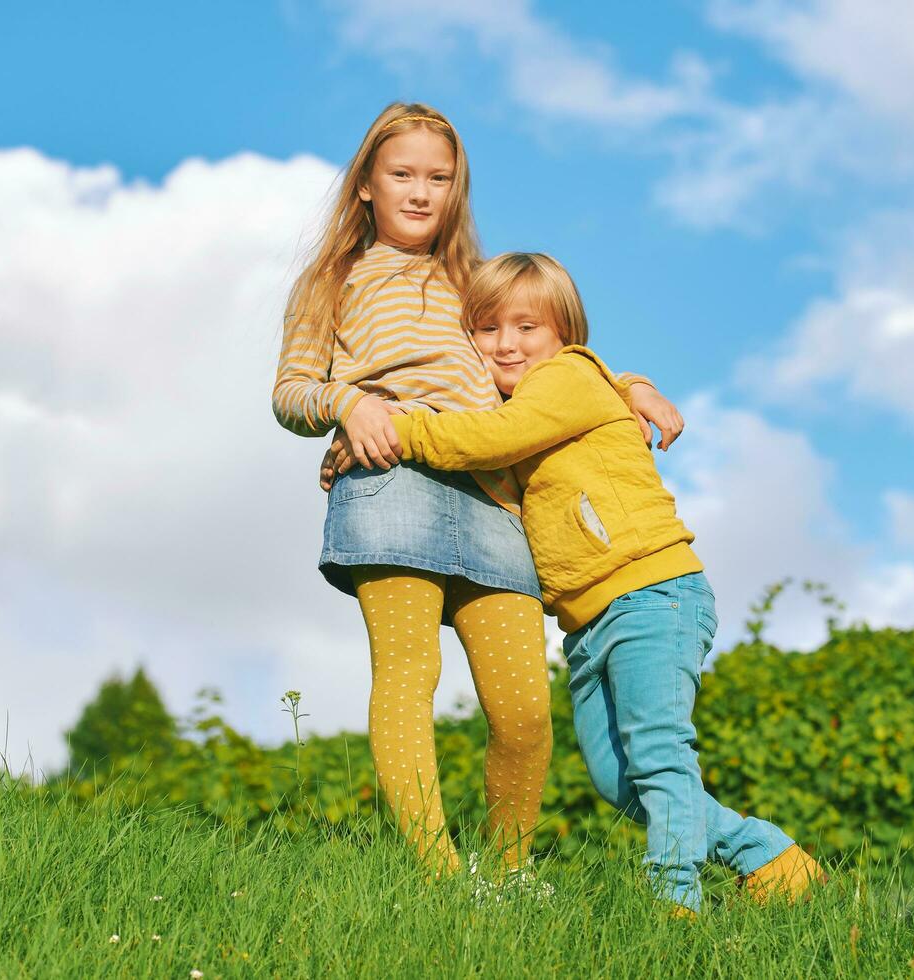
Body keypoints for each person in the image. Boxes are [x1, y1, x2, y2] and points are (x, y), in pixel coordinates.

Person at [333, 252, 825, 911]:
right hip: (588, 623)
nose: (505, 343)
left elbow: (490, 438)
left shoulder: (563, 380)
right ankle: (773, 862)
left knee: (657, 759)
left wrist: (391, 426)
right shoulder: (554, 387)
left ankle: (673, 906)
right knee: (619, 780)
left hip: (651, 593)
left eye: (525, 327)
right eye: (485, 329)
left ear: (564, 333)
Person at [272, 105, 683, 876]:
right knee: (408, 675)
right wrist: (348, 403)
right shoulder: (329, 281)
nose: (421, 192)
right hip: (390, 480)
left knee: (524, 713)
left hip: (493, 500)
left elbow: (538, 353)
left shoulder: (471, 281)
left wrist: (629, 385)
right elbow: (291, 390)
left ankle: (507, 877)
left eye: (439, 177)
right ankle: (438, 875)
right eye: (402, 175)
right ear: (365, 185)